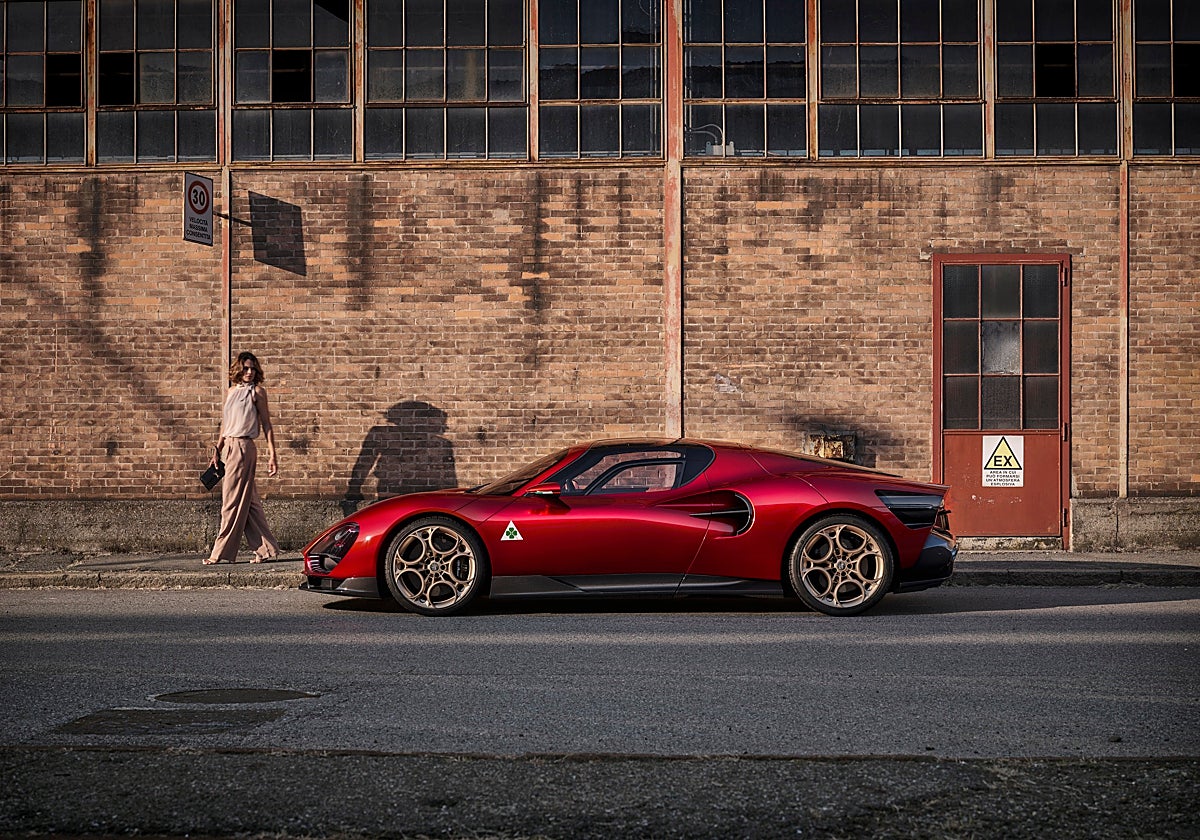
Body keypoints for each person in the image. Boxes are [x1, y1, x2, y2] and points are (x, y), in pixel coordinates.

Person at [204, 352, 280, 565]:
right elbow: (225, 424)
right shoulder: (230, 392)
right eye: (245, 368)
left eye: (253, 369)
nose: (249, 372)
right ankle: (266, 549)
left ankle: (219, 553)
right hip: (228, 446)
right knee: (250, 502)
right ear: (238, 369)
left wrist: (273, 455)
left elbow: (267, 425)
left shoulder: (257, 392)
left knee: (230, 501)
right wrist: (217, 450)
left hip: (244, 447)